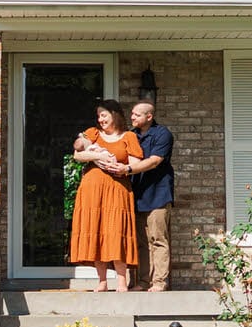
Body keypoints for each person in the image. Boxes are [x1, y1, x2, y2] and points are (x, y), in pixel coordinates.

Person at [69, 99, 143, 291]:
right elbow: (77, 155)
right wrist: (98, 156)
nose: (100, 119)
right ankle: (101, 281)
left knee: (116, 232)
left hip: (117, 189)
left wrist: (123, 168)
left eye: (104, 115)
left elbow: (135, 164)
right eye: (99, 116)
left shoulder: (129, 137)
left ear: (115, 115)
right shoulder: (93, 134)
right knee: (96, 230)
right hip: (92, 191)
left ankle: (121, 282)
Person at [107, 101, 174, 291]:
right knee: (142, 242)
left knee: (158, 239)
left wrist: (127, 169)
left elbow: (154, 161)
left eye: (136, 115)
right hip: (136, 195)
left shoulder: (162, 134)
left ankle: (159, 282)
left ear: (149, 117)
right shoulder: (132, 136)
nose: (132, 117)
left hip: (158, 194)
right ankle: (144, 282)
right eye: (132, 114)